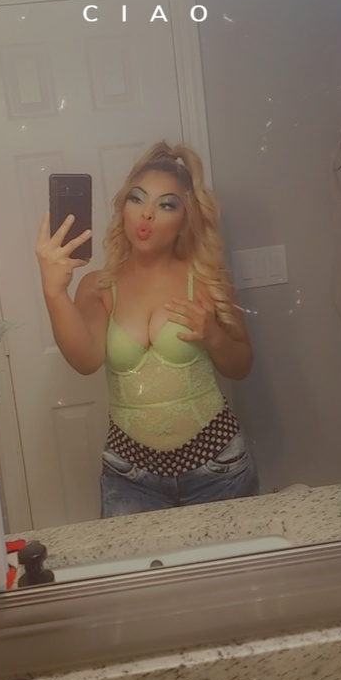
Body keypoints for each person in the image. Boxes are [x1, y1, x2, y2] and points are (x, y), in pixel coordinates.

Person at [36, 141, 258, 517]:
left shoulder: (207, 280)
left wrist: (214, 336)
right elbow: (86, 360)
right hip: (130, 477)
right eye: (137, 199)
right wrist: (54, 291)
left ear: (185, 219)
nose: (147, 214)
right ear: (123, 208)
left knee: (233, 559)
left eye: (166, 205)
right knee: (131, 560)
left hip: (218, 468)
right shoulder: (98, 286)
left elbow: (242, 365)